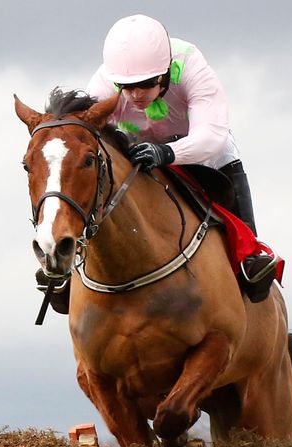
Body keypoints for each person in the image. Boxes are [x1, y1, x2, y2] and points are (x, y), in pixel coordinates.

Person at [36, 14, 279, 315]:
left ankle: (250, 256)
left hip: (202, 151)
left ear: (164, 73)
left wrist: (166, 152)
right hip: (138, 149)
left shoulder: (191, 66)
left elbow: (211, 136)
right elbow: (86, 137)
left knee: (225, 157)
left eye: (146, 84)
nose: (137, 95)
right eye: (127, 87)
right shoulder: (102, 83)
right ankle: (67, 266)